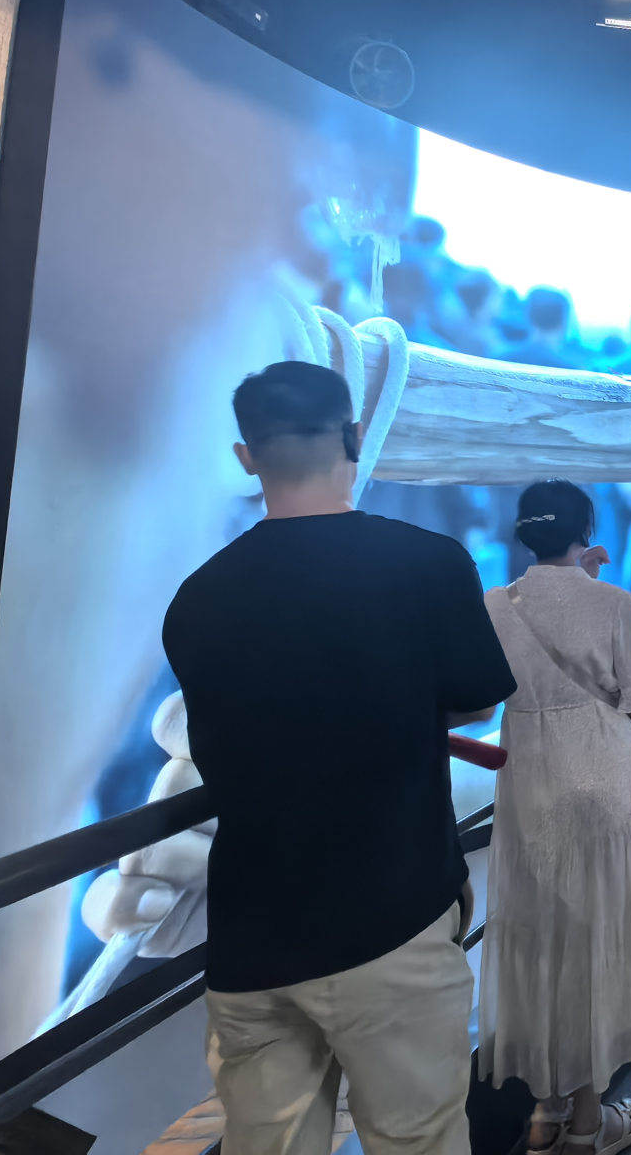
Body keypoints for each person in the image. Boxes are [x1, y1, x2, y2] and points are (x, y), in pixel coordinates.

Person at [164, 362, 517, 1155]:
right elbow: (478, 701)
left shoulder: (197, 596)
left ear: (246, 456)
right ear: (355, 437)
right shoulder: (427, 562)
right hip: (391, 916)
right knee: (419, 1140)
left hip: (253, 934)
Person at [479, 480, 631, 1155]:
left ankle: (546, 1110)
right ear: (585, 531)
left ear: (524, 532)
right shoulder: (614, 602)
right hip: (608, 777)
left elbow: (490, 695)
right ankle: (590, 1124)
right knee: (598, 944)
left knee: (542, 939)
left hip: (532, 784)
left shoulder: (495, 604)